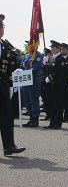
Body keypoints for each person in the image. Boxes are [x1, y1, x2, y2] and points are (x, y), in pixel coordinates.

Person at [0, 14, 25, 156]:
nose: (1, 29)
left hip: (2, 85)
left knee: (7, 115)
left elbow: (7, 67)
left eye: (2, 26)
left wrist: (10, 84)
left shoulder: (4, 45)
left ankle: (9, 146)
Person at [45, 40, 66, 129]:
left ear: (58, 48)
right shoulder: (52, 58)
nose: (51, 49)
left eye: (53, 47)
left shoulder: (61, 59)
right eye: (51, 47)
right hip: (51, 85)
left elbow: (59, 71)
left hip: (57, 84)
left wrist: (50, 77)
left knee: (58, 104)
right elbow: (49, 70)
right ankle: (52, 122)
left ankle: (58, 122)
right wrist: (46, 63)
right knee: (51, 104)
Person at [20, 48, 43, 127]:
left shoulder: (38, 55)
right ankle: (31, 117)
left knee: (33, 99)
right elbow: (22, 65)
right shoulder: (26, 56)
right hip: (26, 80)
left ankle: (35, 119)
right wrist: (21, 71)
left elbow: (37, 67)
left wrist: (27, 72)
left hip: (34, 79)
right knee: (27, 99)